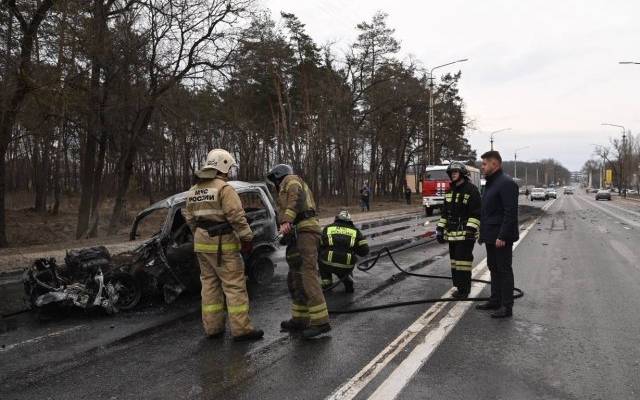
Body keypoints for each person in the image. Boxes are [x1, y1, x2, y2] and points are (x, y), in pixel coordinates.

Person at [183, 149, 264, 341]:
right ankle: (241, 329)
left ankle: (213, 328)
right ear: (224, 165)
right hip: (223, 245)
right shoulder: (224, 189)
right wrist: (247, 238)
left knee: (209, 286)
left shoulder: (194, 190)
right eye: (229, 168)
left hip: (201, 244)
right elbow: (236, 216)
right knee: (234, 286)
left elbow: (188, 216)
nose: (229, 173)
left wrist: (198, 233)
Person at [266, 164, 331, 338]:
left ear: (280, 176)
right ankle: (300, 319)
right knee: (295, 276)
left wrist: (286, 220)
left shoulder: (291, 180)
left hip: (306, 232)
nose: (276, 184)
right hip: (298, 232)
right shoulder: (285, 185)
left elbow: (294, 197)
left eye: (275, 180)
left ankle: (321, 322)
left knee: (308, 274)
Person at [476, 150, 519, 318]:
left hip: (501, 237)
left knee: (503, 269)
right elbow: (487, 212)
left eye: (485, 163)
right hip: (490, 235)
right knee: (493, 268)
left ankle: (506, 306)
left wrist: (502, 236)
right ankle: (495, 300)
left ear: (495, 164)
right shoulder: (491, 183)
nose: (482, 166)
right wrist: (482, 234)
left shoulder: (506, 183)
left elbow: (510, 213)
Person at [435, 162, 482, 298]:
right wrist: (440, 229)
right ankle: (458, 286)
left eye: (456, 172)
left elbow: (476, 213)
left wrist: (470, 230)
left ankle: (464, 290)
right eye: (451, 173)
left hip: (466, 234)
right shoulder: (450, 191)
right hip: (452, 234)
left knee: (463, 262)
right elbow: (445, 213)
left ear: (462, 174)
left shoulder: (471, 190)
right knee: (455, 262)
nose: (453, 174)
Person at [319, 209, 369, 293]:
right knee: (343, 267)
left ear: (337, 218)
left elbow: (319, 245)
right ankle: (347, 281)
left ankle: (326, 283)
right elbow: (365, 251)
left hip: (327, 263)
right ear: (350, 221)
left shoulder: (328, 228)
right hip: (346, 266)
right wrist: (354, 249)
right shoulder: (356, 231)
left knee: (321, 258)